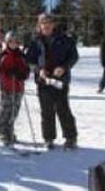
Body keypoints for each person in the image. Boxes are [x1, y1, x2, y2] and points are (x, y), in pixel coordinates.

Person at [26, 13, 79, 150]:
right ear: (39, 26)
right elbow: (29, 61)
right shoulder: (35, 42)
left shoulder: (64, 39)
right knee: (46, 111)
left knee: (63, 110)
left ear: (53, 25)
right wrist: (38, 70)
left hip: (60, 80)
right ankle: (48, 138)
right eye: (43, 23)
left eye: (49, 23)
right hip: (43, 82)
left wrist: (64, 67)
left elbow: (74, 56)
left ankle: (71, 138)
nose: (46, 25)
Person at [0, 31, 30, 146]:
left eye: (15, 42)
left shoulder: (22, 56)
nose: (13, 44)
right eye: (11, 42)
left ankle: (9, 131)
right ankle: (0, 131)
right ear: (7, 42)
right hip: (6, 87)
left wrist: (22, 75)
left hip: (18, 88)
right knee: (5, 110)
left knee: (14, 111)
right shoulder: (3, 55)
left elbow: (26, 70)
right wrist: (8, 74)